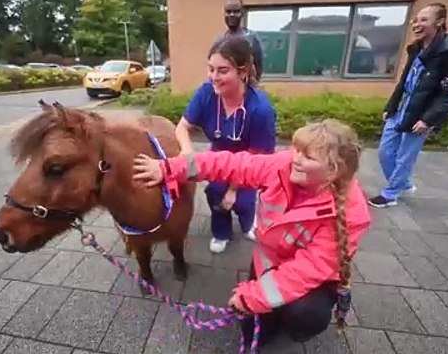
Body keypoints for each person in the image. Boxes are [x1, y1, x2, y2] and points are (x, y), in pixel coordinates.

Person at [133, 119, 371, 347]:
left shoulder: (352, 212)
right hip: (268, 261)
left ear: (333, 172)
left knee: (305, 314)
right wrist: (168, 168)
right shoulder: (283, 166)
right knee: (250, 334)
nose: (295, 159)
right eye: (297, 149)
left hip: (311, 281)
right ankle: (272, 311)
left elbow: (311, 268)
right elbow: (228, 164)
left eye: (307, 157)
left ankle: (293, 325)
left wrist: (255, 295)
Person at [174, 35, 277, 253]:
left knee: (242, 201)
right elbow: (181, 128)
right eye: (211, 69)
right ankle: (221, 232)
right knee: (216, 196)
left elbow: (257, 158)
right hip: (218, 161)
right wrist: (188, 154)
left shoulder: (261, 110)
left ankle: (249, 223)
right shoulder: (206, 93)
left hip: (249, 164)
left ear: (243, 71)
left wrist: (233, 190)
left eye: (223, 71)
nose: (214, 77)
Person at [368, 3, 448, 208]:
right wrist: (391, 106)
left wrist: (427, 119)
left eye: (423, 20)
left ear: (439, 22)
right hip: (403, 107)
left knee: (406, 156)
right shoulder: (417, 48)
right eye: (415, 20)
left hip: (422, 112)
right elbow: (403, 81)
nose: (416, 24)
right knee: (385, 151)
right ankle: (403, 183)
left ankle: (390, 194)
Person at [219, 0, 264, 82]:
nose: (232, 15)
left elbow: (259, 65)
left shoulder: (251, 38)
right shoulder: (220, 41)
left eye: (236, 11)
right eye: (228, 12)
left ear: (242, 13)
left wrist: (254, 84)